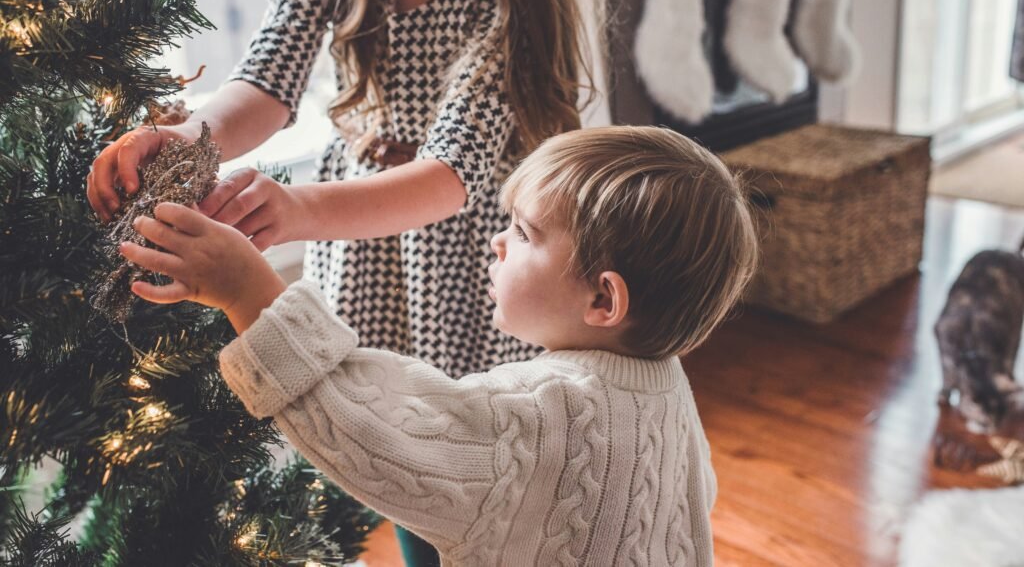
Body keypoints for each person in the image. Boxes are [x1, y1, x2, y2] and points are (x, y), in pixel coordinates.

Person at [88, 0, 605, 561]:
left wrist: (301, 208)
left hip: (462, 263)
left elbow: (451, 175)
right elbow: (267, 84)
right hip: (362, 257)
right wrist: (190, 136)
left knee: (454, 462)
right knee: (372, 438)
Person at [119, 125, 761, 566]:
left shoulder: (542, 412)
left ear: (603, 301)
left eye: (524, 233)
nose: (497, 242)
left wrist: (246, 292)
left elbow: (365, 427)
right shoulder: (664, 383)